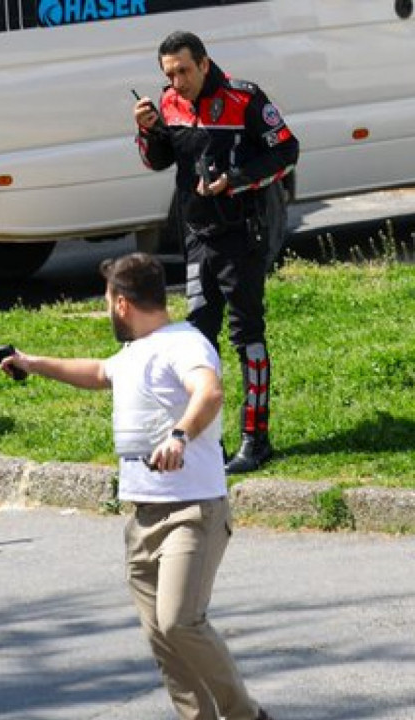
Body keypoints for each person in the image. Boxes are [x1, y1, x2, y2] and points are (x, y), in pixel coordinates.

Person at [0, 253, 272, 720]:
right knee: (164, 641)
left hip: (192, 511)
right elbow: (97, 372)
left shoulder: (185, 343)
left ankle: (246, 716)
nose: (108, 309)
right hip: (142, 517)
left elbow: (209, 392)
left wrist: (179, 435)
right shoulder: (134, 354)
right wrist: (32, 363)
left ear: (121, 303)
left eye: (108, 300)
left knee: (179, 621)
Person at [134, 30, 299, 474]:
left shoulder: (244, 98)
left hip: (242, 234)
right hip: (196, 237)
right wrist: (147, 131)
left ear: (205, 64)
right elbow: (158, 160)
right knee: (196, 339)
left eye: (184, 71)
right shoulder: (169, 101)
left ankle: (256, 440)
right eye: (170, 74)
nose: (178, 82)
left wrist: (236, 180)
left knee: (247, 336)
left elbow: (287, 150)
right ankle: (206, 441)